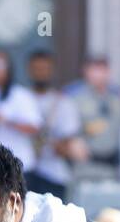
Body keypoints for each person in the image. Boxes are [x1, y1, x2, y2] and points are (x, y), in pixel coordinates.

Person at [26, 49, 84, 200]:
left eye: (44, 69)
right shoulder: (20, 98)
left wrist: (51, 143)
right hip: (24, 174)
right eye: (37, 69)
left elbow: (68, 144)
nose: (41, 73)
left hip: (53, 175)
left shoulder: (63, 103)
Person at [64, 55, 120, 181]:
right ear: (86, 71)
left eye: (102, 70)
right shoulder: (73, 96)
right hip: (84, 167)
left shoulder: (118, 97)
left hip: (111, 168)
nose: (99, 75)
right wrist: (70, 143)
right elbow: (62, 132)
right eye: (94, 70)